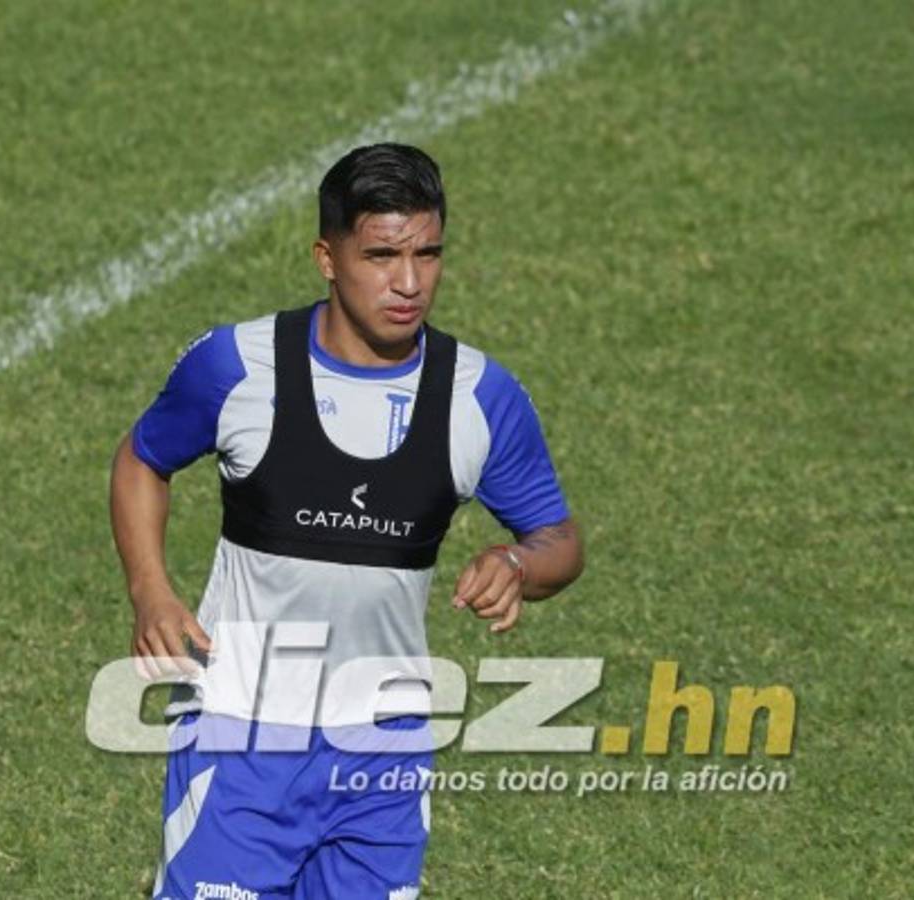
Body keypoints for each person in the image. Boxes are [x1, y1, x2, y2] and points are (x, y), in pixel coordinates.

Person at [109, 142, 583, 899]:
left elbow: (558, 538)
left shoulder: (479, 397)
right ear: (327, 258)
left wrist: (520, 567)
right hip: (241, 728)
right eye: (382, 255)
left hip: (385, 745)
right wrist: (151, 592)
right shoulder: (238, 367)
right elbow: (142, 458)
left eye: (428, 255)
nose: (409, 282)